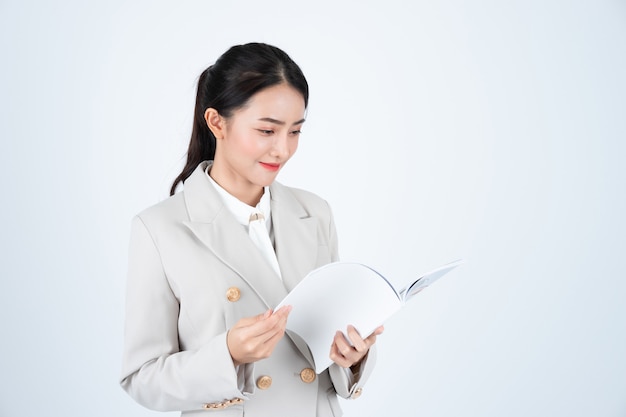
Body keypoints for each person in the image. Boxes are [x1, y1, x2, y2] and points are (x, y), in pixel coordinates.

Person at [120, 42, 383, 417]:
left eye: (295, 132)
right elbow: (142, 379)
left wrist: (351, 355)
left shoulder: (315, 212)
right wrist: (227, 355)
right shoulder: (158, 229)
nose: (282, 149)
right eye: (266, 130)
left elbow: (329, 346)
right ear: (216, 122)